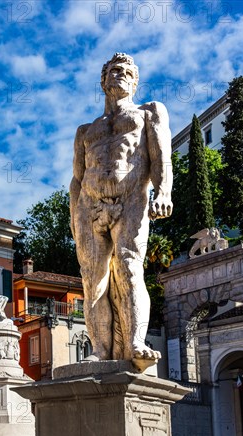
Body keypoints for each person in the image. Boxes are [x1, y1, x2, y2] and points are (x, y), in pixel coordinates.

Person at [70, 53, 173, 371]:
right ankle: (100, 350)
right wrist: (75, 212)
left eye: (127, 71)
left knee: (129, 269)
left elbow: (161, 157)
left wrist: (164, 191)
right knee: (93, 281)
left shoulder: (149, 112)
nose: (120, 74)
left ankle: (135, 344)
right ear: (103, 80)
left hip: (131, 199)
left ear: (135, 80)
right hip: (89, 206)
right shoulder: (86, 130)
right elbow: (77, 177)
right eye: (114, 70)